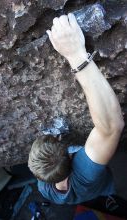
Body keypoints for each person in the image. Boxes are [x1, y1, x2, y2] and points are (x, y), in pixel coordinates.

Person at [28, 13, 124, 205]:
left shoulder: (45, 189)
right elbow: (112, 127)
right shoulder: (84, 174)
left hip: (92, 193)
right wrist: (75, 53)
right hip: (112, 181)